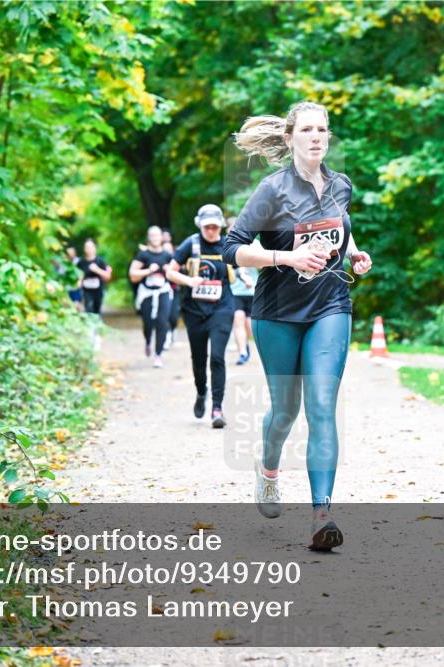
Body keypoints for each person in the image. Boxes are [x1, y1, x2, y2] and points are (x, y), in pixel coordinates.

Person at [222, 101, 373, 551]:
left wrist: (353, 255)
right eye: (306, 129)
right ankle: (268, 471)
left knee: (322, 404)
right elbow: (233, 247)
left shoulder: (341, 186)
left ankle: (322, 515)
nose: (315, 137)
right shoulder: (272, 190)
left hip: (331, 303)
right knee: (285, 409)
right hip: (278, 313)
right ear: (289, 140)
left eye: (322, 130)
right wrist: (285, 256)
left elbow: (339, 231)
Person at [166, 204, 236, 429]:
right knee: (198, 359)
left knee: (217, 356)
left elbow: (242, 263)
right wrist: (189, 281)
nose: (211, 231)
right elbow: (170, 271)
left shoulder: (227, 244)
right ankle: (201, 392)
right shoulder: (191, 243)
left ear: (221, 226)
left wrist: (244, 275)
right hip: (194, 310)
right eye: (207, 227)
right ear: (200, 226)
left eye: (215, 227)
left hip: (222, 307)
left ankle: (217, 407)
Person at [129, 226, 173, 368]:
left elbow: (177, 273)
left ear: (161, 237)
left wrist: (169, 271)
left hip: (163, 291)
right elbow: (132, 275)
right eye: (152, 235)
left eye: (157, 235)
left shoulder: (167, 255)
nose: (155, 238)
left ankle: (158, 355)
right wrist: (148, 271)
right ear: (148, 237)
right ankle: (148, 341)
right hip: (147, 293)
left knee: (162, 322)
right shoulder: (143, 255)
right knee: (148, 323)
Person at [229, 226, 259, 365]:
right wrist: (242, 274)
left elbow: (262, 266)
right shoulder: (228, 245)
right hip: (235, 291)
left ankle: (246, 345)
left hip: (253, 291)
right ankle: (242, 352)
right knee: (238, 319)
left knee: (249, 325)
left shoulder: (256, 244)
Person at [79, 238, 112, 317]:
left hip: (98, 290)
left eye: (90, 247)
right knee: (88, 307)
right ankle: (90, 327)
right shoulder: (81, 262)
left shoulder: (100, 261)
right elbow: (78, 276)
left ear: (95, 248)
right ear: (84, 249)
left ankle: (97, 326)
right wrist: (79, 280)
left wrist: (97, 270)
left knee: (97, 309)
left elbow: (108, 276)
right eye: (87, 247)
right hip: (86, 290)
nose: (89, 249)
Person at [162, 229, 182, 351]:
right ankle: (166, 337)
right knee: (164, 315)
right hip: (161, 291)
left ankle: (173, 331)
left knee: (174, 315)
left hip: (175, 290)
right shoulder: (157, 259)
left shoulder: (177, 260)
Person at [58, 246, 84, 312]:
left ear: (75, 253)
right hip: (67, 288)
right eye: (69, 254)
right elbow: (61, 274)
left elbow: (83, 272)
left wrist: (80, 280)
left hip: (77, 287)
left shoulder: (79, 261)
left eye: (72, 253)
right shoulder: (64, 263)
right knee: (68, 305)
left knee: (77, 304)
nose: (70, 255)